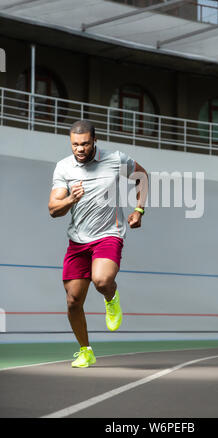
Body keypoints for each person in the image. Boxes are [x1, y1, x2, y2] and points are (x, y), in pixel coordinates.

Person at [48, 120, 148, 368]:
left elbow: (142, 176)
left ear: (95, 141)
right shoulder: (63, 168)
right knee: (73, 301)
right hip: (78, 241)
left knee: (101, 280)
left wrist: (139, 209)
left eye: (84, 144)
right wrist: (71, 198)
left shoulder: (116, 159)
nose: (79, 149)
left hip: (108, 234)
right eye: (74, 145)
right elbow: (53, 209)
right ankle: (85, 350)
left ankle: (111, 297)